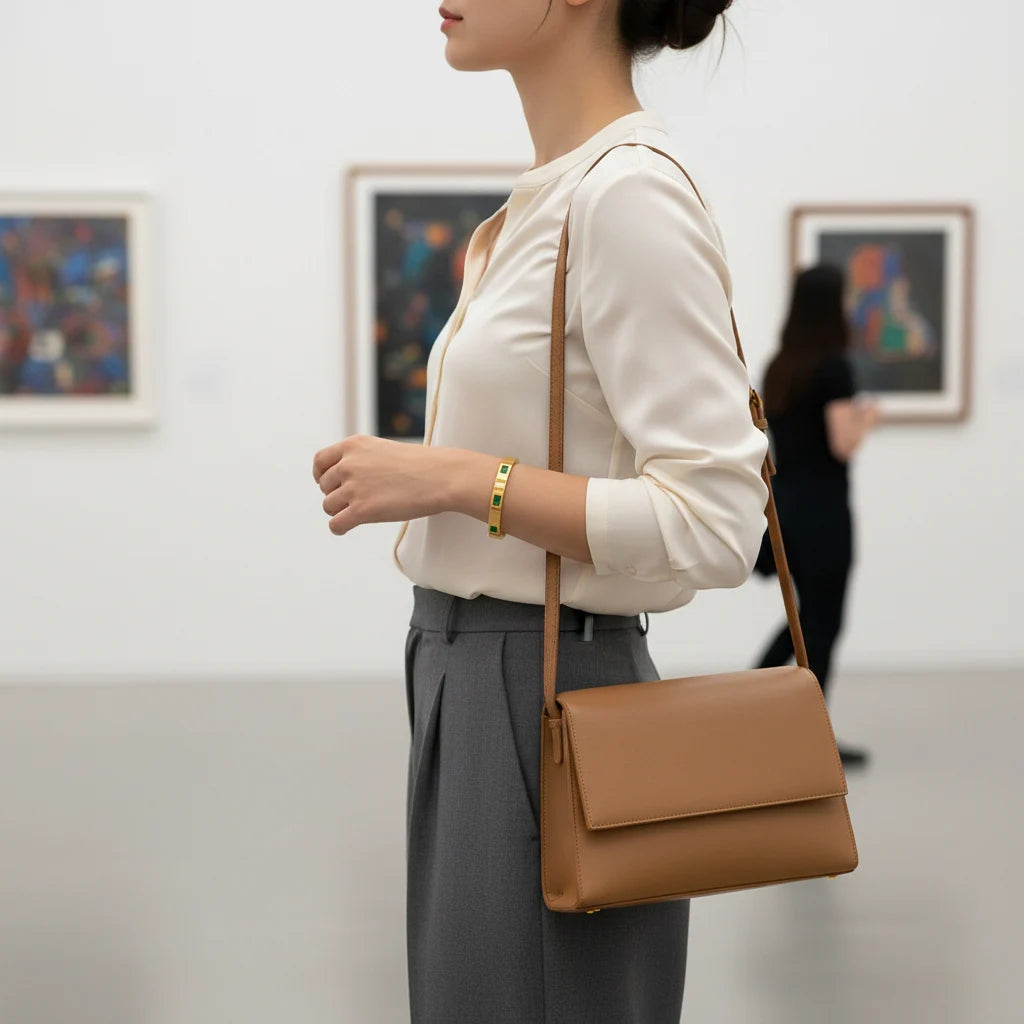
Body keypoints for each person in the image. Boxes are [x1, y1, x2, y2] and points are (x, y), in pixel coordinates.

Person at [313, 1, 769, 1020]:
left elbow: (716, 519)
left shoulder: (627, 197)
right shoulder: (549, 200)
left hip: (547, 689)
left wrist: (451, 479)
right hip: (471, 676)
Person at [754, 264, 881, 768]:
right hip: (825, 512)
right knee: (823, 622)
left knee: (804, 619)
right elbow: (842, 443)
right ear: (832, 306)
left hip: (787, 509)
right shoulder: (835, 368)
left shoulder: (780, 365)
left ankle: (755, 702)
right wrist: (868, 416)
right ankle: (812, 736)